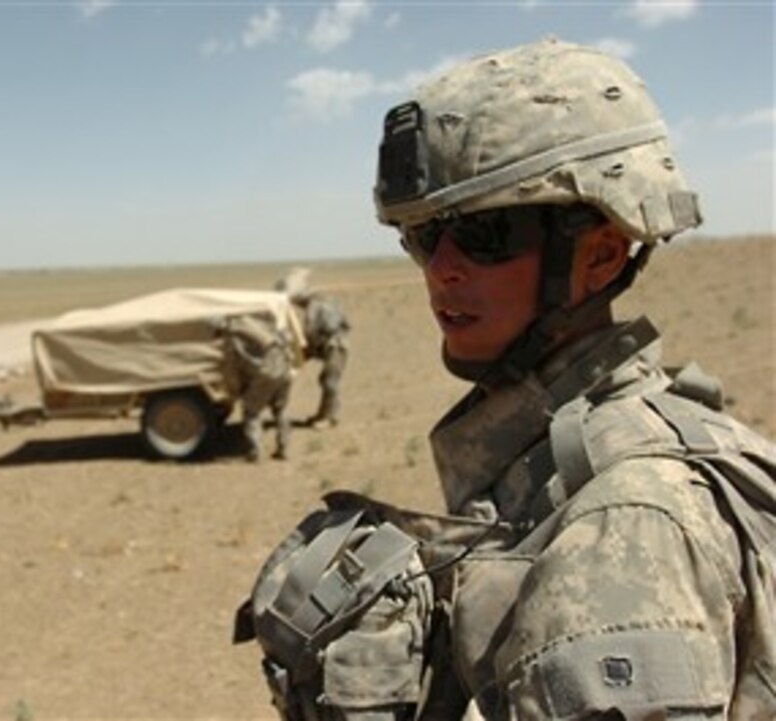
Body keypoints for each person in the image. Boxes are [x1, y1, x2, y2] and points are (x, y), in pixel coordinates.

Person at [237, 38, 776, 720]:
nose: (443, 268)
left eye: (488, 232)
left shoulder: (625, 525)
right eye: (425, 236)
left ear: (601, 255)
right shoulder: (591, 446)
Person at [275, 268, 350, 428]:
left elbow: (325, 329)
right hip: (323, 345)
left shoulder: (319, 305)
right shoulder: (312, 306)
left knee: (329, 382)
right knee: (325, 380)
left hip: (335, 347)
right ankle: (323, 415)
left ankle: (328, 417)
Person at [218, 314, 294, 462]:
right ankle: (284, 449)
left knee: (251, 411)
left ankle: (255, 452)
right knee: (281, 408)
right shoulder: (254, 321)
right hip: (284, 366)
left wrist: (235, 390)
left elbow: (231, 369)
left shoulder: (232, 336)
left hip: (267, 372)